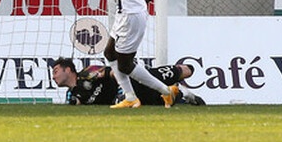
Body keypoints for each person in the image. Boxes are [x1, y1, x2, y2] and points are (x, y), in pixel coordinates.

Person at [51, 57, 205, 106]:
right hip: (134, 97)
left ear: (68, 70)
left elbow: (114, 72)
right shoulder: (72, 95)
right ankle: (183, 95)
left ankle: (179, 89)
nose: (53, 76)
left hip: (137, 81)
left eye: (56, 71)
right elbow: (76, 104)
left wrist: (122, 90)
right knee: (162, 101)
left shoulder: (88, 72)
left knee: (187, 70)